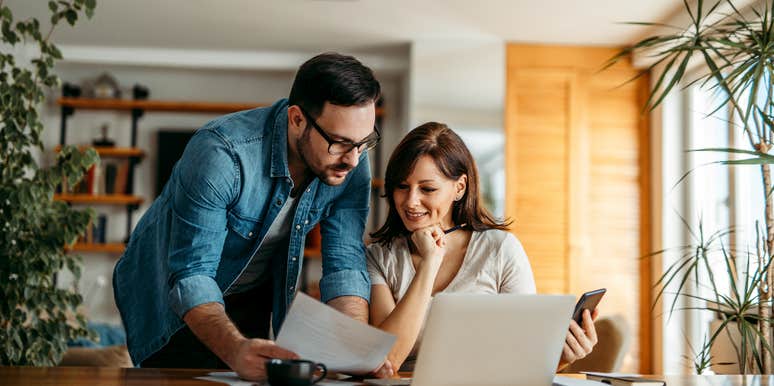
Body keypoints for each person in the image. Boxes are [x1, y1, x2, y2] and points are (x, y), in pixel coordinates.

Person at [113, 52, 389, 380]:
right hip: (171, 294)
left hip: (252, 291)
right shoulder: (221, 154)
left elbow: (345, 262)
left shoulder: (351, 160)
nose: (354, 160)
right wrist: (233, 349)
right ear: (297, 119)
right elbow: (192, 273)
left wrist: (354, 346)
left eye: (364, 143)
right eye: (340, 143)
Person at [367, 122, 599, 374]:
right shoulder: (378, 257)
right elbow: (387, 361)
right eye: (402, 186)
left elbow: (524, 357)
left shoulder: (500, 250)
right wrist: (430, 263)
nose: (411, 201)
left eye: (427, 189)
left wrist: (561, 358)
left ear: (460, 187)